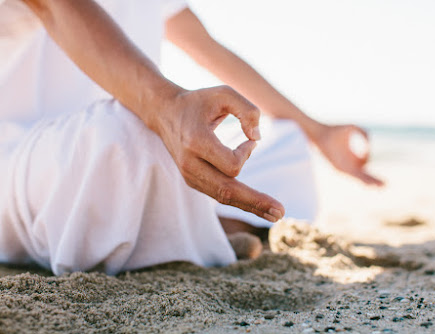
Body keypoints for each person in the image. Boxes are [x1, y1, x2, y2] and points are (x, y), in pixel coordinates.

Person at [0, 0, 382, 275]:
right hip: (21, 158)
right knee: (125, 136)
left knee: (285, 141)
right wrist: (167, 108)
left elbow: (208, 49)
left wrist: (317, 132)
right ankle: (202, 236)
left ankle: (201, 231)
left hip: (120, 141)